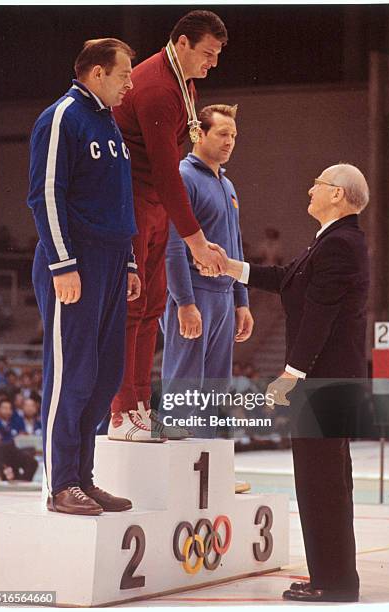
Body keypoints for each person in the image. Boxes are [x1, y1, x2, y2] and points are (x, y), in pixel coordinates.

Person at [201, 164, 369, 602]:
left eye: (317, 183)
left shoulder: (341, 245)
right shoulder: (331, 241)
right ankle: (331, 578)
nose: (309, 188)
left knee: (322, 484)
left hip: (324, 383)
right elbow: (286, 281)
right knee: (322, 481)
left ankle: (334, 583)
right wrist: (230, 267)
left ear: (337, 194)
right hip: (329, 382)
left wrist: (292, 373)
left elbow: (320, 314)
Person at [27, 38, 140, 515]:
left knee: (105, 374)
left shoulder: (108, 123)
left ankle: (84, 478)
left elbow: (118, 198)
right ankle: (61, 485)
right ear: (96, 73)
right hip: (76, 262)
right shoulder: (61, 118)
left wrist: (130, 260)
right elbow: (44, 196)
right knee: (71, 375)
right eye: (123, 74)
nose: (130, 83)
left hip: (113, 261)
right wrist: (63, 263)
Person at [109, 10, 229, 441]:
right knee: (133, 306)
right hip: (134, 202)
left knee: (154, 304)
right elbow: (165, 170)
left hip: (155, 203)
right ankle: (122, 412)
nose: (212, 63)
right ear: (181, 44)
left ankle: (140, 404)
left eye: (217, 55)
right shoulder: (159, 87)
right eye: (207, 53)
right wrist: (195, 241)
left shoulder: (184, 82)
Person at [159, 104, 253, 441]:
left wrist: (242, 301)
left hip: (224, 298)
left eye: (234, 135)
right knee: (185, 386)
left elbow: (236, 245)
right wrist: (184, 302)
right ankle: (181, 477)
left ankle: (209, 471)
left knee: (215, 389)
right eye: (223, 134)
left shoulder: (227, 185)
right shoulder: (183, 177)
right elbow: (171, 245)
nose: (230, 141)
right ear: (199, 134)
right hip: (194, 294)